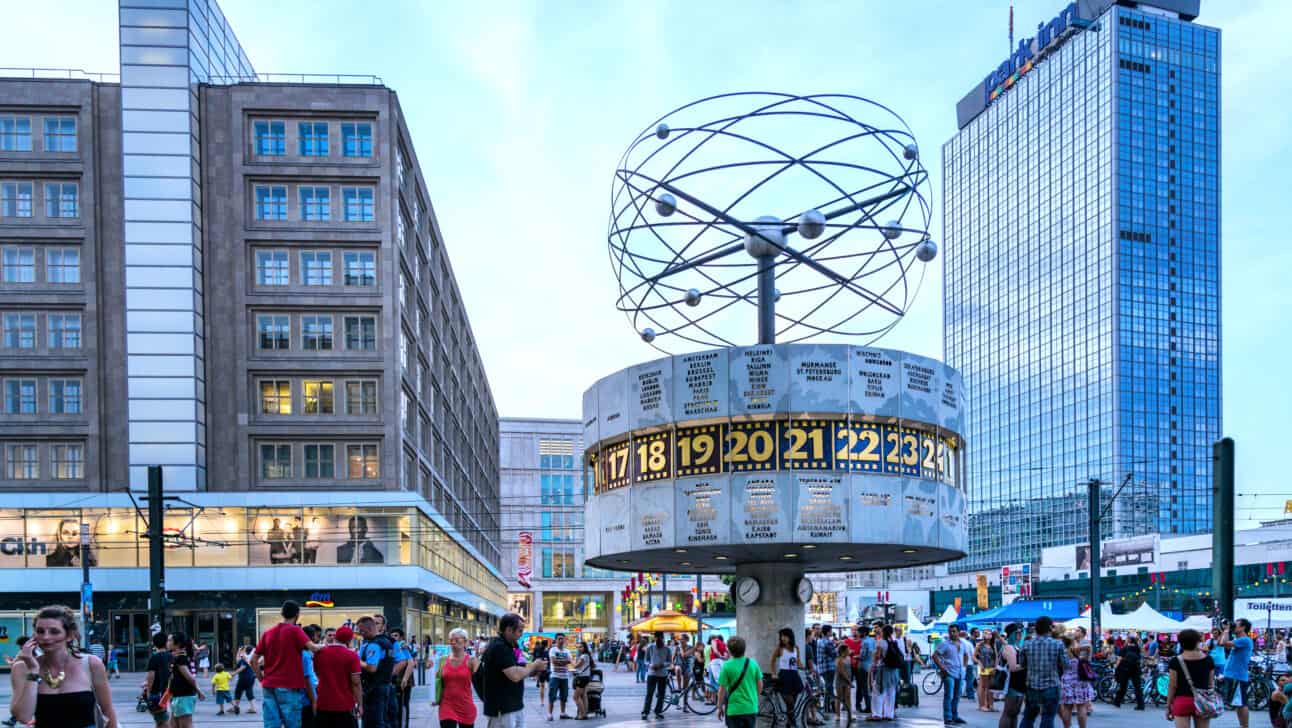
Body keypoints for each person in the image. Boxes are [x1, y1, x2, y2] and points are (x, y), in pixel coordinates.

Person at [7, 605, 118, 728]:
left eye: (54, 631)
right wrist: (33, 670)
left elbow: (107, 711)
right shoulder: (23, 668)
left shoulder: (91, 663)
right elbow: (23, 716)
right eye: (40, 631)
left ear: (69, 635)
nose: (46, 637)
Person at [254, 600, 322, 728]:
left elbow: (253, 660)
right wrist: (334, 647)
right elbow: (314, 648)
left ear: (282, 613)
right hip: (289, 685)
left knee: (271, 724)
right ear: (297, 614)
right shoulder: (295, 631)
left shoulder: (268, 633)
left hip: (269, 685)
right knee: (292, 723)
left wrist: (261, 679)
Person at [480, 613, 547, 728]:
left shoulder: (511, 646)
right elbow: (515, 675)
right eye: (520, 631)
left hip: (513, 706)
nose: (521, 635)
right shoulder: (499, 647)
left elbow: (519, 670)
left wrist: (533, 670)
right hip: (502, 709)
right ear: (509, 630)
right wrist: (535, 665)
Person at [1019, 616, 1066, 728]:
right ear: (1050, 628)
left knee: (1028, 716)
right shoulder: (1058, 644)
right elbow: (1066, 664)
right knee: (1048, 717)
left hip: (1032, 685)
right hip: (1051, 685)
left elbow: (1022, 664)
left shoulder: (1026, 644)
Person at [313, 625, 362, 728]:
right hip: (345, 705)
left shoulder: (319, 653)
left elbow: (317, 674)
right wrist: (360, 704)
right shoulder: (352, 656)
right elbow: (356, 683)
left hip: (323, 703)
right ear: (349, 640)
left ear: (335, 637)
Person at [1164, 629, 1215, 728]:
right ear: (1197, 642)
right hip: (1202, 701)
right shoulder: (1208, 660)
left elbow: (1172, 686)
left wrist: (1168, 705)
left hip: (1182, 701)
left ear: (1181, 643)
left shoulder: (1175, 661)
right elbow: (1210, 684)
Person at [355, 617, 396, 728]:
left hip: (374, 688)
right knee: (383, 720)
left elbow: (372, 667)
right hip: (385, 685)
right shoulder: (387, 642)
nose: (360, 633)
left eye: (361, 631)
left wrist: (356, 661)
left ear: (369, 629)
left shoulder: (374, 644)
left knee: (374, 722)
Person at [433, 628, 478, 728]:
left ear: (465, 642)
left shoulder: (472, 661)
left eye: (457, 640)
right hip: (446, 705)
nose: (453, 643)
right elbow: (436, 680)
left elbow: (481, 682)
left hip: (465, 705)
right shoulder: (442, 660)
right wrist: (433, 697)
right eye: (451, 640)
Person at [717, 636, 761, 728]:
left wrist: (719, 707)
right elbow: (760, 686)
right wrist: (753, 697)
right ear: (744, 648)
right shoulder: (753, 664)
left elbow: (722, 690)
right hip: (751, 708)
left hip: (734, 710)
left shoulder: (727, 666)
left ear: (729, 650)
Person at [1221, 618, 1255, 728]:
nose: (1234, 626)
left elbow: (1223, 643)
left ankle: (1245, 726)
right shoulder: (1239, 639)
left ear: (1243, 627)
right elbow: (1220, 642)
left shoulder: (1245, 640)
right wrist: (1225, 630)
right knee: (1238, 703)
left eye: (1236, 625)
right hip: (1234, 675)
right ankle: (1242, 726)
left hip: (1238, 676)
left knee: (1242, 703)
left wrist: (1226, 630)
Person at [167, 632, 205, 728]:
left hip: (184, 696)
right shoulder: (177, 657)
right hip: (177, 696)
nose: (167, 642)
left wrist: (199, 691)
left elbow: (190, 678)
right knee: (173, 724)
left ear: (178, 643)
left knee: (185, 725)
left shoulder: (181, 658)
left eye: (170, 640)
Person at [933, 624, 968, 726]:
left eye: (954, 631)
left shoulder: (962, 643)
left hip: (960, 673)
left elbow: (965, 655)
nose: (952, 633)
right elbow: (935, 655)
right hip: (949, 673)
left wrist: (964, 667)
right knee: (949, 695)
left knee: (957, 696)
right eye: (950, 631)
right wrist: (942, 667)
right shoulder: (945, 644)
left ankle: (955, 716)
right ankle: (948, 717)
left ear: (958, 632)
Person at [1057, 637, 1093, 728]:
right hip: (1080, 681)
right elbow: (1089, 647)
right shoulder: (1076, 652)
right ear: (1072, 643)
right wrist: (1077, 647)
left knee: (1067, 707)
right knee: (1081, 706)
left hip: (1066, 680)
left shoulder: (1063, 652)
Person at [772, 627, 804, 727]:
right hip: (784, 676)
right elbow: (772, 660)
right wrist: (773, 673)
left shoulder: (796, 648)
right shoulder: (780, 648)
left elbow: (798, 662)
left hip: (794, 676)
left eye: (785, 636)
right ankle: (792, 723)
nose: (783, 638)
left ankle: (789, 724)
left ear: (790, 637)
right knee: (789, 702)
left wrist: (803, 666)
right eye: (781, 636)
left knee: (792, 704)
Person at [870, 625, 902, 722]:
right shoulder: (894, 642)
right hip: (894, 671)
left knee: (879, 691)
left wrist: (873, 665)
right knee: (891, 692)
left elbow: (877, 656)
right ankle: (889, 714)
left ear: (883, 632)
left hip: (884, 670)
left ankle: (877, 714)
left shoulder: (881, 642)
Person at [999, 623, 1027, 728]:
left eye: (1021, 632)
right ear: (1013, 634)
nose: (1021, 635)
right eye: (1018, 633)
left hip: (1018, 682)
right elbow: (1013, 667)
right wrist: (1028, 664)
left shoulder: (1016, 646)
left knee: (1014, 713)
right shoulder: (1009, 647)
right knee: (1008, 712)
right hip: (1012, 682)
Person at [143, 631, 172, 727]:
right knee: (161, 719)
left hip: (156, 692)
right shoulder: (170, 656)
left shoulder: (154, 657)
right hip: (167, 691)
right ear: (166, 643)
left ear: (154, 644)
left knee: (161, 720)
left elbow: (151, 676)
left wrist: (148, 692)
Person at [642, 631, 672, 721]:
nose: (659, 639)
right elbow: (646, 661)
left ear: (663, 638)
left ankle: (658, 711)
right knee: (649, 694)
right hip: (652, 674)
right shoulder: (650, 647)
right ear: (654, 638)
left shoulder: (667, 649)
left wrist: (662, 665)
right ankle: (645, 712)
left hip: (662, 674)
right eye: (657, 637)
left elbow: (669, 661)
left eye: (660, 637)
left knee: (661, 694)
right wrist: (651, 665)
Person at [1113, 635, 1145, 710]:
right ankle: (1141, 705)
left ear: (1128, 640)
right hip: (1136, 669)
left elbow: (1119, 659)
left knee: (1123, 686)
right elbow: (1142, 654)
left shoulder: (1124, 648)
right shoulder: (1137, 648)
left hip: (1125, 669)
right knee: (1137, 687)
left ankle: (1117, 701)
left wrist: (1116, 667)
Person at [547, 633, 573, 721]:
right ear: (556, 640)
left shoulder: (567, 651)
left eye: (562, 639)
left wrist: (560, 661)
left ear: (565, 640)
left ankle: (562, 713)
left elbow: (570, 661)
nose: (561, 641)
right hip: (554, 676)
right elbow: (553, 661)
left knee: (564, 696)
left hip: (565, 677)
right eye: (559, 639)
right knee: (552, 696)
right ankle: (550, 714)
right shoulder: (552, 650)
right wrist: (564, 661)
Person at [233, 643, 259, 716]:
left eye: (243, 649)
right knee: (249, 691)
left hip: (244, 677)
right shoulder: (248, 657)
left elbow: (242, 667)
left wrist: (233, 674)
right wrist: (239, 651)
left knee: (238, 691)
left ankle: (236, 706)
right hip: (251, 677)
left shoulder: (244, 658)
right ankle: (253, 708)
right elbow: (238, 660)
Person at [977, 630, 999, 712]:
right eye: (986, 633)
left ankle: (991, 705)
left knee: (991, 687)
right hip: (984, 667)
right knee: (984, 687)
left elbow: (996, 657)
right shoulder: (980, 644)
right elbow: (974, 656)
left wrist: (996, 667)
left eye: (989, 633)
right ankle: (982, 705)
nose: (988, 635)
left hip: (991, 667)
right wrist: (980, 663)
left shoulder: (993, 644)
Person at [854, 626, 874, 714]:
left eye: (858, 632)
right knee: (868, 687)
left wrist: (855, 656)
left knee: (864, 687)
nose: (857, 634)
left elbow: (862, 656)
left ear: (864, 633)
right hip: (870, 666)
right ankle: (870, 705)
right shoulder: (872, 641)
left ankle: (868, 706)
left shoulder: (864, 642)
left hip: (863, 667)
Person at [572, 642, 595, 720]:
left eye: (581, 647)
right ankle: (585, 713)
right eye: (578, 647)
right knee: (583, 696)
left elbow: (576, 666)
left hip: (582, 678)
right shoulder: (586, 655)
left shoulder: (583, 656)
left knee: (575, 697)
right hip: (586, 677)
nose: (579, 648)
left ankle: (582, 714)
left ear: (585, 648)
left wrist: (571, 660)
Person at [835, 644, 854, 725]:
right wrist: (849, 681)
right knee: (839, 697)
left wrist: (849, 680)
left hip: (847, 680)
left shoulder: (848, 658)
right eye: (847, 649)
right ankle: (837, 715)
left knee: (848, 697)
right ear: (843, 651)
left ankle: (850, 715)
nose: (849, 650)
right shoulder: (839, 659)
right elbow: (841, 672)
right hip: (840, 680)